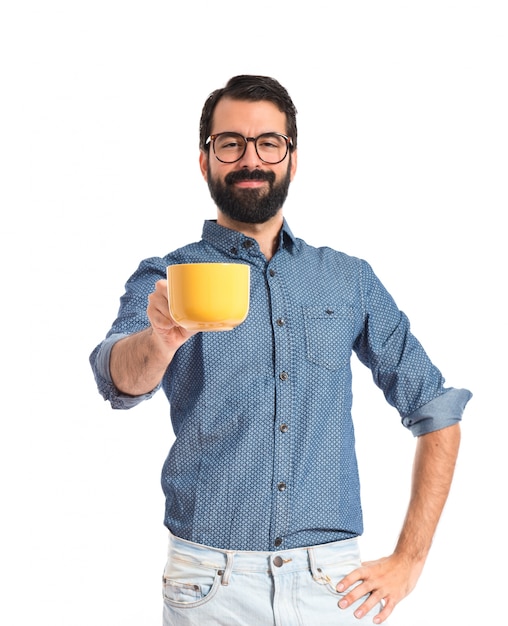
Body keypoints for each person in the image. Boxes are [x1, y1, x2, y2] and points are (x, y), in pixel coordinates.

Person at [90, 75, 472, 625]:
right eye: (231, 143)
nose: (251, 159)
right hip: (209, 584)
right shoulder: (168, 277)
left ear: (292, 159)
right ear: (206, 162)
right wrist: (161, 338)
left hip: (334, 585)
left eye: (269, 143)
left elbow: (436, 411)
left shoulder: (348, 279)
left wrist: (410, 560)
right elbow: (117, 377)